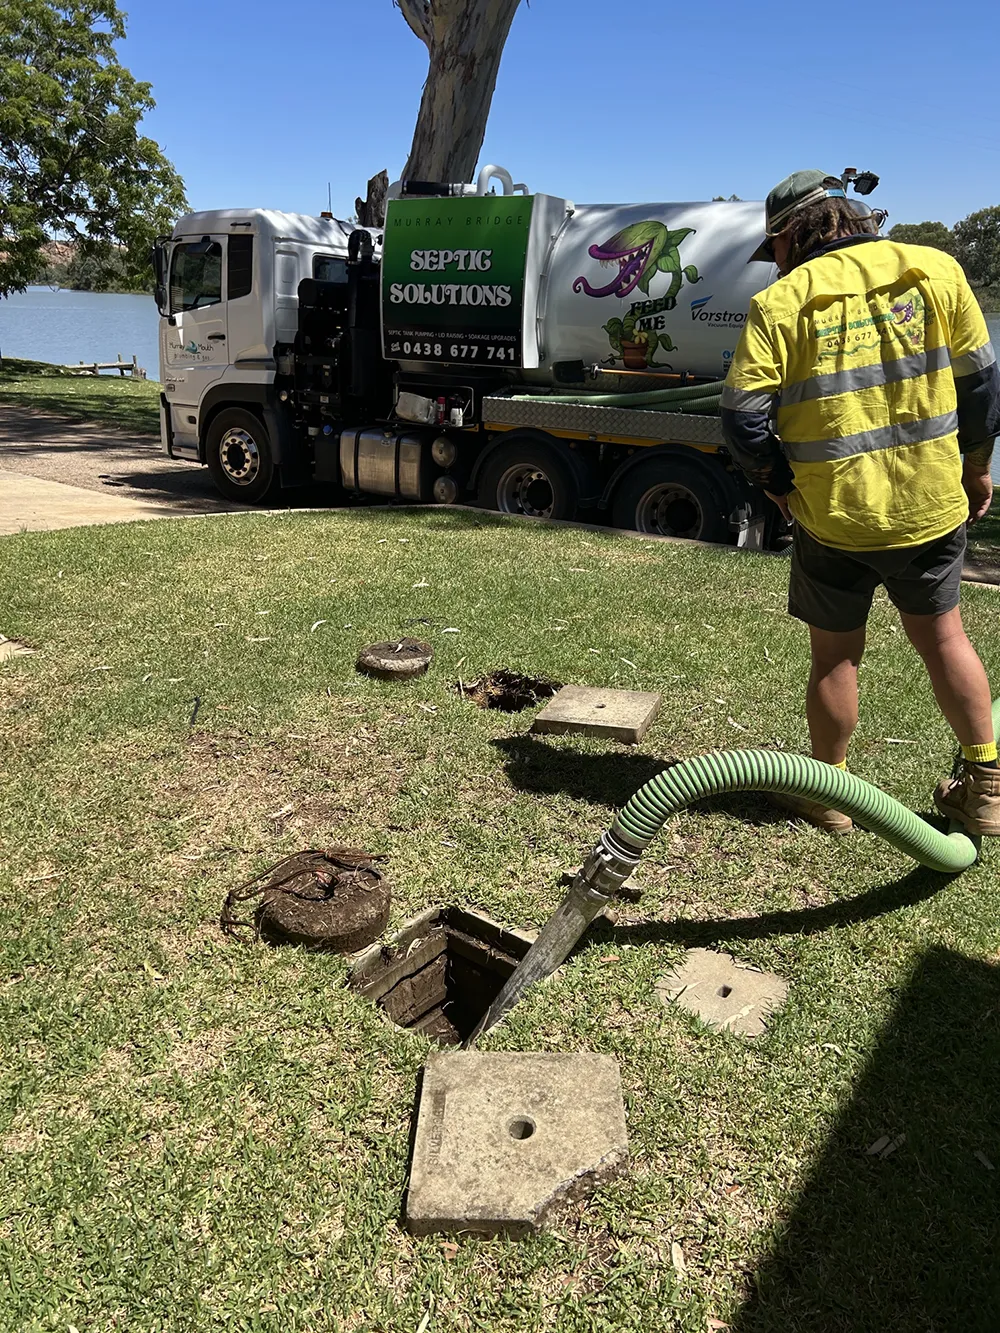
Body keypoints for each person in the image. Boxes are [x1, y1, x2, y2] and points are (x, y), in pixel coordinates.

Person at [721, 170, 1000, 836]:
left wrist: (779, 483)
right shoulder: (937, 271)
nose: (776, 263)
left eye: (774, 250)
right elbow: (984, 388)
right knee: (944, 640)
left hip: (833, 518)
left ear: (790, 235)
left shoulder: (781, 304)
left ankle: (829, 793)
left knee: (836, 656)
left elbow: (741, 420)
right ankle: (987, 789)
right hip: (931, 508)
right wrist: (978, 468)